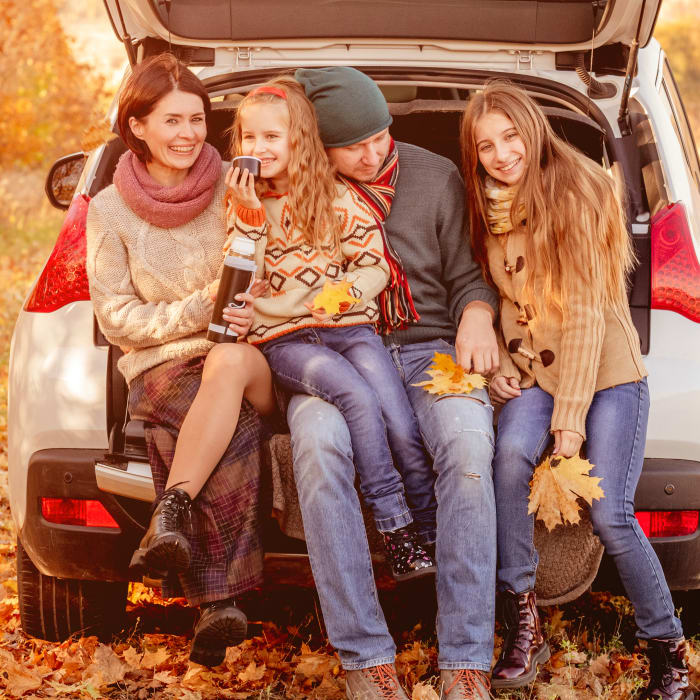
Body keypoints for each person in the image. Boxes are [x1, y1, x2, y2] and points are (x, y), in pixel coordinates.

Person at [460, 81, 691, 699]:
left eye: (511, 136)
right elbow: (503, 297)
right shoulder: (485, 207)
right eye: (486, 146)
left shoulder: (582, 188)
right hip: (536, 374)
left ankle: (669, 654)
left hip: (607, 375)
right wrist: (500, 365)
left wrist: (569, 424)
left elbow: (587, 313)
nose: (502, 154)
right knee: (506, 461)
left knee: (612, 511)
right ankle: (523, 620)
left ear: (534, 128)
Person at [290, 67, 500, 700]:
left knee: (467, 448)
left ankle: (465, 660)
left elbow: (470, 273)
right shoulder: (297, 191)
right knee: (319, 450)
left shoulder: (435, 176)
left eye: (381, 136)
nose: (374, 153)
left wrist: (478, 312)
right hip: (333, 354)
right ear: (318, 147)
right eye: (353, 145)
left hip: (429, 349)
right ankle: (367, 661)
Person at [85, 53, 276, 668]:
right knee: (236, 427)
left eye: (197, 119)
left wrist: (251, 303)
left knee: (211, 413)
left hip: (237, 353)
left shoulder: (233, 186)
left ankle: (181, 538)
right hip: (158, 365)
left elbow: (264, 269)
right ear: (137, 126)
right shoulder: (110, 211)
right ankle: (220, 603)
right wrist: (197, 310)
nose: (189, 134)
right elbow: (114, 316)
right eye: (172, 121)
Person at [224, 77, 436, 581]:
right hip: (285, 341)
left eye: (272, 137)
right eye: (249, 139)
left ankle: (430, 534)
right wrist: (251, 220)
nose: (259, 149)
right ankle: (396, 530)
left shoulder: (338, 198)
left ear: (300, 139)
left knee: (402, 423)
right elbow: (241, 280)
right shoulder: (241, 206)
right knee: (355, 398)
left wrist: (347, 293)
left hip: (351, 329)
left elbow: (375, 266)